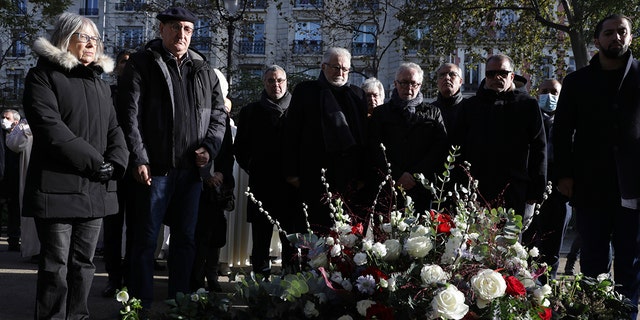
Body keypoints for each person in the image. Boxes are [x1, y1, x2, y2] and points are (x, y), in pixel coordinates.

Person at [117, 6, 227, 307]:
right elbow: (130, 117)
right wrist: (139, 158)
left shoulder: (204, 68)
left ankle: (180, 303)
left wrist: (209, 148)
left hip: (191, 172)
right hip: (156, 170)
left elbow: (218, 115)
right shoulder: (141, 64)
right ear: (161, 28)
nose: (182, 34)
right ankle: (139, 305)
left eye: (188, 29)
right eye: (176, 27)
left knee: (186, 240)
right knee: (146, 241)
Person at [22, 12, 129, 319]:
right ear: (64, 40)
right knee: (56, 266)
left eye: (94, 38)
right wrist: (97, 162)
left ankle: (78, 316)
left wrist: (118, 162)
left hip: (94, 189)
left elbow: (115, 129)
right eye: (83, 37)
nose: (91, 44)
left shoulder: (100, 84)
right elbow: (51, 129)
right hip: (57, 188)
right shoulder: (41, 76)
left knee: (85, 264)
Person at [553, 14, 640, 310]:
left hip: (633, 187)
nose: (617, 37)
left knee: (629, 261)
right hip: (590, 187)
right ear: (597, 40)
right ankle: (595, 313)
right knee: (593, 262)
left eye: (623, 32)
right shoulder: (577, 82)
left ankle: (626, 313)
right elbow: (562, 131)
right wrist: (564, 174)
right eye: (609, 33)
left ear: (630, 37)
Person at [283, 47, 368, 234]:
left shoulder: (357, 94)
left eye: (345, 69)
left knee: (345, 234)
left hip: (348, 177)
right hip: (312, 175)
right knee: (313, 231)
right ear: (323, 66)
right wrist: (292, 173)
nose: (341, 73)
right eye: (336, 67)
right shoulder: (306, 91)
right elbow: (292, 133)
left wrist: (362, 176)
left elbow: (363, 137)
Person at [453, 54, 546, 219]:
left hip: (515, 190)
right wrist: (459, 187)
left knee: (509, 243)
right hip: (476, 190)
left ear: (512, 76)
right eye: (491, 73)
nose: (497, 77)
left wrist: (536, 191)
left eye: (503, 73)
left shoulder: (528, 105)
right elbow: (457, 147)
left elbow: (539, 148)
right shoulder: (469, 107)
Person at [235, 65, 300, 278]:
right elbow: (240, 150)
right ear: (264, 83)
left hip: (292, 188)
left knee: (290, 242)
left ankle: (291, 284)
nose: (276, 85)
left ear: (286, 82)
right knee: (260, 240)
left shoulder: (299, 111)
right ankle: (260, 285)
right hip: (262, 186)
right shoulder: (250, 112)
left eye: (280, 80)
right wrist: (255, 166)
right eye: (271, 81)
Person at [368, 62, 447, 213]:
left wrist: (415, 175)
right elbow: (375, 148)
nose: (408, 88)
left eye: (413, 83)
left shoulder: (433, 113)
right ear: (395, 83)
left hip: (422, 188)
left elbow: (439, 148)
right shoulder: (381, 113)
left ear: (420, 84)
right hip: (389, 186)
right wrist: (398, 175)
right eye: (404, 83)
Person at [523, 79, 570, 281]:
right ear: (536, 93)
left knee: (552, 248)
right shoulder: (528, 119)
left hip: (560, 194)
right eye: (544, 91)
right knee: (528, 245)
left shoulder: (569, 122)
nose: (549, 96)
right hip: (532, 193)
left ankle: (546, 291)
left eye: (554, 92)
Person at [191, 91, 234, 292]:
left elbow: (227, 154)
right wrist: (205, 174)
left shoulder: (221, 117)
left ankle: (212, 275)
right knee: (198, 234)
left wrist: (221, 175)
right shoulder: (194, 111)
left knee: (216, 233)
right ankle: (196, 278)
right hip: (194, 183)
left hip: (217, 186)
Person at [101, 49, 136, 298]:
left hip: (137, 170)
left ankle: (132, 278)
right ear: (117, 67)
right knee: (113, 228)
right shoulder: (107, 94)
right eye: (124, 61)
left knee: (136, 229)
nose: (129, 65)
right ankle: (113, 279)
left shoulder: (146, 94)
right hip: (113, 169)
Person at [4, 110, 36, 258]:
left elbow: (14, 143)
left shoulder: (25, 128)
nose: (3, 120)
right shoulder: (24, 128)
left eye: (7, 118)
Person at [1, 109, 22, 252]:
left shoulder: (21, 135)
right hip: (2, 178)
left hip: (15, 179)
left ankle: (13, 241)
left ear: (16, 121)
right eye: (2, 117)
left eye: (6, 117)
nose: (3, 120)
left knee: (14, 212)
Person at [431, 63, 465, 132]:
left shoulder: (472, 109)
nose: (446, 77)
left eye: (452, 74)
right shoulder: (429, 111)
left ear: (460, 81)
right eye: (442, 75)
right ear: (437, 82)